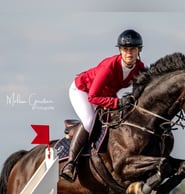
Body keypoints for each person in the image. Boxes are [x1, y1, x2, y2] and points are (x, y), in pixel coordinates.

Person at [60, 29, 146, 182]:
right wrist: (117, 102)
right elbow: (93, 97)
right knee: (89, 121)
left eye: (133, 49)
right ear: (120, 50)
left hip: (106, 94)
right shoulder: (109, 67)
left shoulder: (140, 67)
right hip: (83, 90)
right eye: (125, 49)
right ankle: (70, 164)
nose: (129, 53)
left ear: (139, 50)